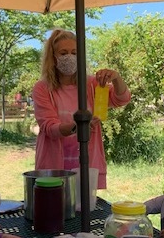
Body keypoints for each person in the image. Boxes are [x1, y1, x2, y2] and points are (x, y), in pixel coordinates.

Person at [32, 28, 131, 189]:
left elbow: (122, 99)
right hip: (53, 168)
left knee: (85, 211)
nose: (69, 57)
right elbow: (49, 128)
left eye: (74, 52)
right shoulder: (42, 88)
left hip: (87, 166)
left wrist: (116, 77)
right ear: (53, 58)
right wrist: (78, 126)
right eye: (63, 53)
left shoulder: (91, 85)